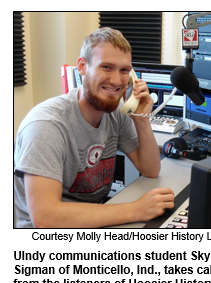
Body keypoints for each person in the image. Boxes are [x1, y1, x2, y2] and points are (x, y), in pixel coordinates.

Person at [14, 27, 174, 228]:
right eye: (106, 67)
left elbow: (150, 170)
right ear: (82, 66)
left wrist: (141, 118)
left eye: (124, 70)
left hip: (94, 219)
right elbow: (45, 218)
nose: (116, 81)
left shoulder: (116, 113)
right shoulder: (46, 125)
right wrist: (135, 210)